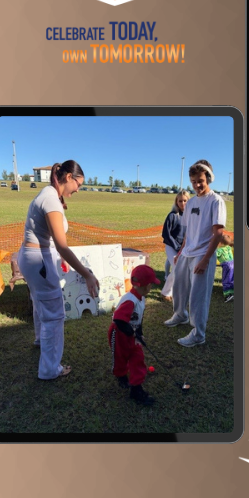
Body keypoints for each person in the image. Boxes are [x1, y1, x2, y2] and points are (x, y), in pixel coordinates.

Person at [17, 161, 100, 379]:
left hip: (35, 258)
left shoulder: (49, 195)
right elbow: (62, 246)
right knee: (54, 315)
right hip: (39, 261)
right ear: (69, 177)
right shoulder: (51, 199)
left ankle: (39, 340)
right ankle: (50, 369)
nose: (78, 190)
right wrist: (87, 274)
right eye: (78, 184)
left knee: (40, 304)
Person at [164, 160, 226, 348]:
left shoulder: (216, 201)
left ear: (208, 178)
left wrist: (206, 260)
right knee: (179, 287)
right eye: (193, 181)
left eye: (200, 180)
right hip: (187, 252)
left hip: (203, 254)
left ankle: (198, 334)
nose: (197, 185)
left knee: (198, 296)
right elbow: (187, 232)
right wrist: (180, 252)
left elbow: (218, 233)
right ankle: (180, 315)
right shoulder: (190, 203)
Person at [109, 264, 160, 407]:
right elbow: (118, 320)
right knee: (120, 357)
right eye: (151, 285)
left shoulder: (141, 298)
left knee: (137, 358)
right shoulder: (130, 300)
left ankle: (136, 390)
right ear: (146, 286)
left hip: (131, 334)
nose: (151, 288)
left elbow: (139, 319)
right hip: (119, 334)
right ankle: (120, 376)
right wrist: (132, 333)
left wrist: (139, 334)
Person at [160, 190, 189, 302]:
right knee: (177, 268)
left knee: (181, 269)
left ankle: (176, 290)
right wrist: (177, 247)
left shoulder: (191, 217)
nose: (182, 203)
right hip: (171, 247)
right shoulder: (172, 216)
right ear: (176, 202)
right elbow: (165, 234)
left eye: (185, 200)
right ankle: (166, 292)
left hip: (184, 248)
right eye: (180, 201)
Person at [215, 231, 234, 303]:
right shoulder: (228, 247)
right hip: (233, 264)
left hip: (227, 265)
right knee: (232, 278)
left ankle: (227, 295)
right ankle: (232, 292)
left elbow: (214, 256)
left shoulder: (219, 250)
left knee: (226, 279)